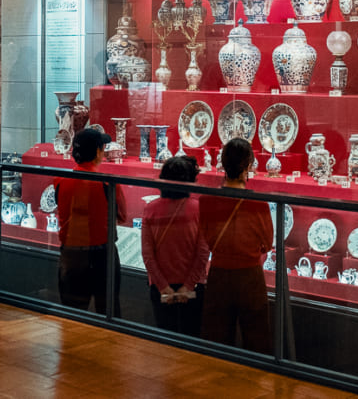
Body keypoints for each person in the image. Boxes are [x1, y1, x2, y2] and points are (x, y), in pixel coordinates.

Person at [198, 138, 274, 353]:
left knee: (216, 341)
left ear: (222, 162)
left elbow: (205, 236)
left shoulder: (206, 200)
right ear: (249, 165)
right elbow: (267, 243)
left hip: (219, 273)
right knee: (257, 340)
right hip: (250, 275)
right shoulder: (258, 203)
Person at [55, 127, 127, 315]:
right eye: (102, 147)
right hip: (102, 254)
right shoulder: (107, 183)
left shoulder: (60, 181)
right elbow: (122, 216)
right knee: (109, 312)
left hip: (71, 254)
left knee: (72, 315)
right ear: (97, 152)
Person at [141, 155, 208, 336]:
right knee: (191, 338)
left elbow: (147, 254)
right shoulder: (198, 208)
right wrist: (189, 285)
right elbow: (203, 253)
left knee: (165, 339)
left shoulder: (150, 209)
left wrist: (162, 286)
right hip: (192, 288)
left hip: (161, 286)